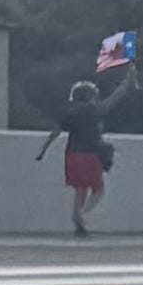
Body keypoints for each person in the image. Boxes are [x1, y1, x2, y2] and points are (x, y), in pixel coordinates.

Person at [58, 70, 110, 235]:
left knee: (80, 189)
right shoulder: (93, 112)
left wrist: (43, 149)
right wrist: (126, 85)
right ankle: (82, 214)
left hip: (72, 154)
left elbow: (57, 130)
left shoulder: (71, 113)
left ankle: (78, 223)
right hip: (89, 154)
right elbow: (114, 99)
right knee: (98, 190)